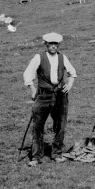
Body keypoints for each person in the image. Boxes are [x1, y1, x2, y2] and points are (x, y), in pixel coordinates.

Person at [23, 32, 77, 166]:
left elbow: (72, 72)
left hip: (60, 95)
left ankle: (57, 154)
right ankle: (36, 157)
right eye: (50, 44)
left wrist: (69, 85)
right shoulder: (39, 57)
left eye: (55, 44)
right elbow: (28, 73)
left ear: (58, 45)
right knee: (38, 126)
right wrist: (33, 89)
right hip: (43, 95)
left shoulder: (62, 57)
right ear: (46, 44)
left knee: (60, 125)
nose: (53, 46)